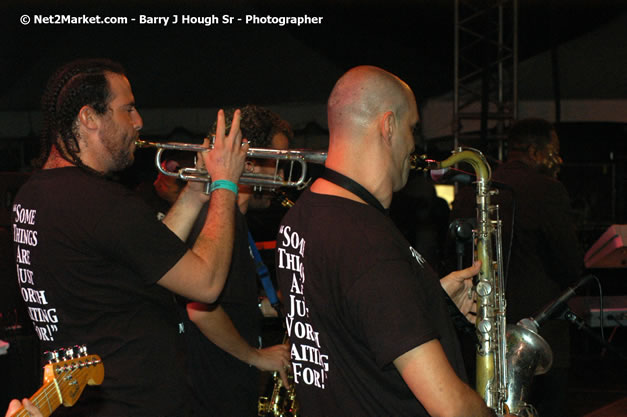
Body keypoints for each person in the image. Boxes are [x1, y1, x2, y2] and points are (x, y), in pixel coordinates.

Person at [11, 58, 248, 416]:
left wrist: (198, 191)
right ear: (89, 117)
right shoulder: (101, 203)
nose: (138, 122)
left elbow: (151, 255)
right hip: (135, 403)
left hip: (87, 402)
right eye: (128, 109)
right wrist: (227, 185)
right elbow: (207, 283)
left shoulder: (32, 194)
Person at [275, 65, 508, 417]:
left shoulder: (301, 217)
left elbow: (346, 322)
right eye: (412, 128)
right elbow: (449, 406)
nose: (413, 143)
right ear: (388, 126)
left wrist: (428, 298)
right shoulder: (368, 242)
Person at [451, 118, 583, 417]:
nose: (556, 158)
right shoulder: (549, 190)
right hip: (539, 337)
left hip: (480, 338)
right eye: (554, 150)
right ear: (537, 151)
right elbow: (571, 267)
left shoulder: (469, 193)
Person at [182, 106, 292, 416]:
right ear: (250, 161)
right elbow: (200, 312)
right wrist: (256, 356)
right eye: (276, 162)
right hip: (213, 396)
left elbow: (225, 300)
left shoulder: (235, 220)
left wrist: (266, 305)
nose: (282, 175)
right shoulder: (218, 220)